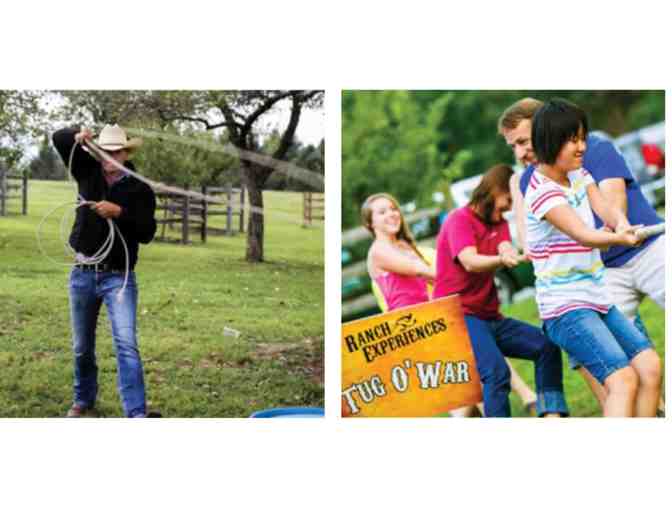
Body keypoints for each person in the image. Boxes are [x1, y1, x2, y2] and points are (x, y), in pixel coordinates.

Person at [500, 98, 665, 412]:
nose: (581, 147)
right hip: (566, 308)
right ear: (550, 140)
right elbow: (584, 234)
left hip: (597, 296)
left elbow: (605, 209)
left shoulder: (578, 175)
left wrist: (623, 224)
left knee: (649, 367)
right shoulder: (541, 190)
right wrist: (618, 238)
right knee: (622, 380)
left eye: (582, 138)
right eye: (573, 140)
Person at [363, 193, 539, 416]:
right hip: (415, 330)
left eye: (393, 208)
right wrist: (467, 272)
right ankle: (526, 398)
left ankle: (524, 399)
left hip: (434, 320)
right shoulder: (379, 251)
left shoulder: (405, 246)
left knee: (475, 374)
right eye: (382, 212)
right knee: (471, 384)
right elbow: (422, 271)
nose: (391, 214)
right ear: (370, 223)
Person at [433, 165, 568, 418]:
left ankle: (552, 415)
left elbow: (505, 245)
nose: (507, 208)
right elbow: (470, 261)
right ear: (494, 191)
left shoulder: (498, 222)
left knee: (546, 346)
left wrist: (508, 252)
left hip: (489, 316)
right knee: (496, 373)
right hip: (458, 316)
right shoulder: (458, 220)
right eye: (507, 201)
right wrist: (501, 259)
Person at [53, 124, 158, 418]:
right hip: (83, 272)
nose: (110, 157)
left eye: (116, 152)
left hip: (118, 276)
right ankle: (83, 400)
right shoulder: (86, 171)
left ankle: (136, 412)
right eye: (105, 151)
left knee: (126, 344)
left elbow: (147, 232)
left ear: (126, 153)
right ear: (98, 150)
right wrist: (80, 135)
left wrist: (120, 213)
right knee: (81, 346)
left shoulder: (140, 188)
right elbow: (59, 138)